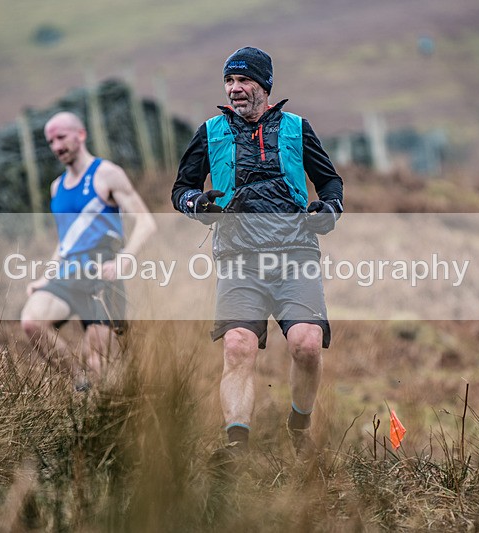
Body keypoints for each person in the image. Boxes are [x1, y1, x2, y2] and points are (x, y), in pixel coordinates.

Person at [171, 47, 344, 461]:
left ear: (265, 86)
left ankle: (299, 429)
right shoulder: (209, 132)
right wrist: (198, 204)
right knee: (237, 346)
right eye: (229, 82)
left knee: (306, 344)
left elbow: (331, 183)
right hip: (238, 258)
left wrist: (328, 210)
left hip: (295, 254)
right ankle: (236, 450)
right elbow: (181, 190)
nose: (235, 89)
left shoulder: (298, 129)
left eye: (244, 81)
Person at [21, 111, 156, 389]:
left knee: (98, 362)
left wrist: (124, 260)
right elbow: (66, 242)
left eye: (61, 137)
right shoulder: (56, 187)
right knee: (32, 322)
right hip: (69, 273)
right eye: (50, 141)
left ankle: (101, 408)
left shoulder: (107, 174)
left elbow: (146, 222)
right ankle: (79, 382)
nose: (56, 146)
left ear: (80, 135)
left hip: (104, 275)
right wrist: (46, 276)